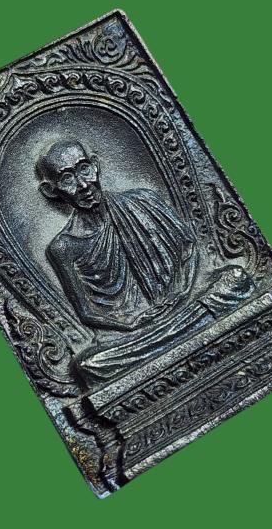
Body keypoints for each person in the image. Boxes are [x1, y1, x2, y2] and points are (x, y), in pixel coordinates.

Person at [37, 139, 254, 385]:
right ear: (51, 191)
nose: (83, 185)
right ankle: (183, 340)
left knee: (235, 279)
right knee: (91, 365)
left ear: (95, 165)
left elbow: (189, 250)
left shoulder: (143, 199)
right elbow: (86, 312)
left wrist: (182, 291)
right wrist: (130, 324)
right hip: (133, 333)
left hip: (184, 301)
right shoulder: (63, 247)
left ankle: (173, 344)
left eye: (84, 169)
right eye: (67, 179)